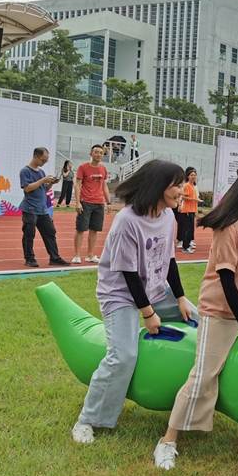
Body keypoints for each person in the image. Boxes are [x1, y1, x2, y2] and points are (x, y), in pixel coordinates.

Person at [154, 165, 238, 470]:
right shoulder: (230, 228)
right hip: (220, 310)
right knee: (203, 374)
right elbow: (227, 281)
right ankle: (168, 440)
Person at [71, 160, 198, 444]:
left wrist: (180, 298)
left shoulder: (168, 216)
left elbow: (170, 260)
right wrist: (149, 314)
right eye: (176, 185)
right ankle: (87, 419)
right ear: (157, 186)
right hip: (120, 294)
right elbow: (128, 273)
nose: (181, 190)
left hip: (155, 288)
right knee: (123, 355)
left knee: (199, 320)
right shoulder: (127, 220)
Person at [19, 147, 70, 268]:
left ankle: (54, 258)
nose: (44, 162)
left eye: (46, 160)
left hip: (42, 209)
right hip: (30, 209)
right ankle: (29, 258)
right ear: (36, 156)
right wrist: (43, 180)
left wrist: (51, 183)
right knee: (29, 234)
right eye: (43, 160)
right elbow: (27, 188)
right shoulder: (25, 171)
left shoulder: (41, 172)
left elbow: (44, 189)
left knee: (50, 232)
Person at [72, 145, 110, 264]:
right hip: (86, 202)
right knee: (80, 229)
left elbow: (104, 186)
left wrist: (108, 202)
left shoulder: (103, 169)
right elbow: (77, 185)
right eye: (96, 152)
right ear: (91, 153)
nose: (98, 154)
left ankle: (90, 255)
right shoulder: (83, 167)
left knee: (94, 230)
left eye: (101, 153)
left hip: (99, 203)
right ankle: (77, 255)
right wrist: (78, 202)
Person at [176, 167, 198, 253]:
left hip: (192, 210)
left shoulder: (193, 186)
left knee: (190, 229)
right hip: (187, 210)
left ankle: (187, 245)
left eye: (194, 175)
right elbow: (183, 196)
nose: (193, 176)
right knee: (187, 229)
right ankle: (185, 247)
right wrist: (195, 200)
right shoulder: (186, 185)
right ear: (188, 176)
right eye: (191, 175)